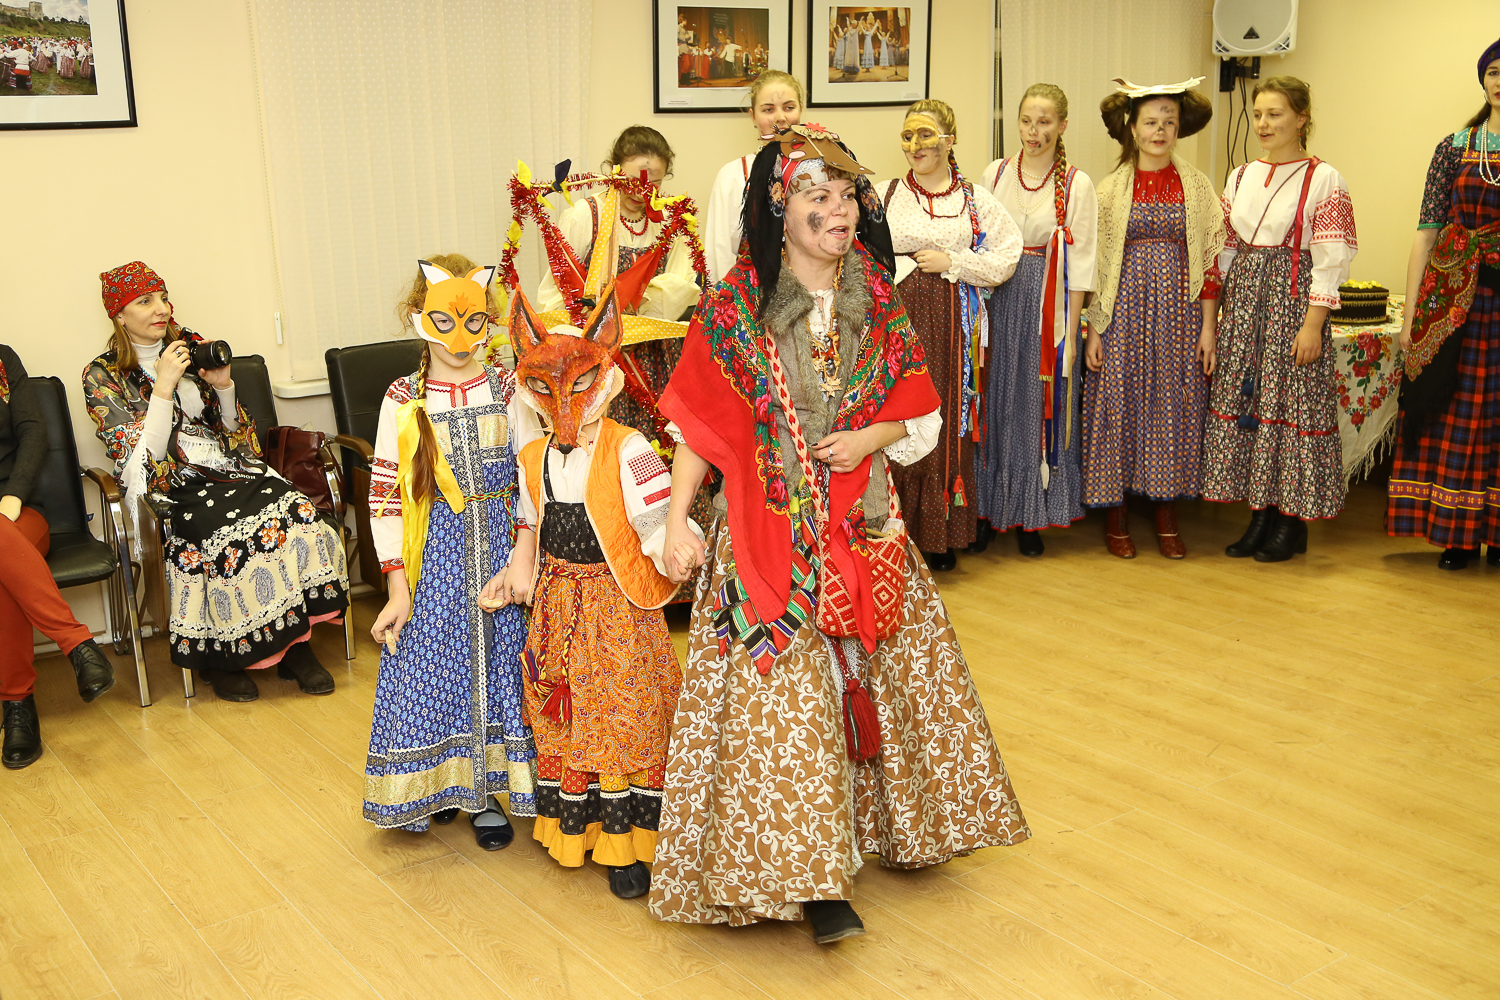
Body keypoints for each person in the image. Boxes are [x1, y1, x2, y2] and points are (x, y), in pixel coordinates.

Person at [649, 124, 1030, 943]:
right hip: (767, 537)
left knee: (879, 680)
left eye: (847, 196)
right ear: (778, 209)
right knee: (784, 708)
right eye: (816, 197)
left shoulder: (877, 296)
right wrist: (677, 520)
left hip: (863, 524)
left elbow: (917, 410)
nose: (839, 211)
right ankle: (813, 880)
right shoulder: (734, 308)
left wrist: (866, 440)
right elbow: (700, 430)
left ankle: (897, 829)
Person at [496, 285, 693, 899]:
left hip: (617, 607)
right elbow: (529, 520)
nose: (565, 404)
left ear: (603, 381)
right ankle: (577, 831)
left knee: (623, 714)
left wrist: (677, 548)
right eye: (546, 389)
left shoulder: (629, 448)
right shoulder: (531, 456)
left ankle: (630, 844)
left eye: (579, 386)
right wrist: (519, 567)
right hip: (558, 606)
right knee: (565, 713)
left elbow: (657, 522)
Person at [84, 262, 347, 702]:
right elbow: (144, 462)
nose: (161, 309)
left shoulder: (192, 348)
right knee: (224, 530)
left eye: (163, 297)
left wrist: (224, 388)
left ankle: (294, 644)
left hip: (228, 468)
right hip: (171, 484)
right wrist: (163, 387)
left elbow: (236, 438)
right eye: (145, 301)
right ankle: (224, 656)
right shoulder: (102, 375)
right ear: (119, 315)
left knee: (295, 510)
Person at [363, 257, 535, 847]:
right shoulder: (402, 397)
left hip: (501, 547)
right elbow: (386, 493)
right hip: (432, 554)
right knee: (428, 665)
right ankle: (437, 784)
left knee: (499, 667)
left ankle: (485, 796)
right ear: (419, 318)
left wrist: (522, 556)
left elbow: (531, 476)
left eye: (474, 322)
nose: (459, 340)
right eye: (443, 322)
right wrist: (397, 586)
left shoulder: (509, 387)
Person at [1203, 77, 1357, 561]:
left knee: (1291, 407)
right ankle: (1259, 516)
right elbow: (1225, 249)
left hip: (1292, 303)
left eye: (1275, 114)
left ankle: (1290, 522)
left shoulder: (1324, 178)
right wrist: (1219, 317)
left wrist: (1313, 325)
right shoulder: (1240, 175)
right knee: (1251, 402)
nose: (1263, 124)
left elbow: (1332, 257)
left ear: (1301, 118)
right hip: (1245, 304)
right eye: (1258, 114)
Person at [1082, 79, 1226, 559]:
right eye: (1151, 122)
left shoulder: (1198, 188)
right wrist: (1095, 331)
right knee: (1117, 402)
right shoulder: (1108, 191)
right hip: (1122, 314)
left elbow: (1210, 263)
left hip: (1180, 316)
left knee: (1171, 404)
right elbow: (1095, 267)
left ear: (1178, 129)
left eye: (1169, 122)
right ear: (1133, 128)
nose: (1160, 131)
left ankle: (1166, 512)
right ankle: (1116, 514)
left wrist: (1208, 329)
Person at [878, 99, 1022, 570]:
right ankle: (892, 530)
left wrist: (953, 262)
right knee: (895, 415)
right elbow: (855, 250)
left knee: (942, 416)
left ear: (949, 140)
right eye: (907, 136)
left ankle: (939, 535)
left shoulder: (974, 200)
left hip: (950, 326)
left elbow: (1008, 256)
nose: (914, 145)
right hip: (896, 322)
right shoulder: (884, 194)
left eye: (924, 134)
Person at [1388, 39, 1500, 570]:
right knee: (1455, 411)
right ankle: (1458, 534)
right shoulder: (1453, 148)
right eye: (1494, 72)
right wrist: (1411, 316)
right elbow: (1426, 232)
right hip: (1455, 301)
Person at [977, 83, 1098, 557]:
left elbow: (1081, 264)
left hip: (1048, 304)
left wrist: (1069, 333)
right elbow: (978, 241)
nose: (1033, 131)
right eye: (1026, 120)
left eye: (1044, 122)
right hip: (998, 297)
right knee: (993, 398)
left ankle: (1031, 514)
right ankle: (988, 509)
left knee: (1033, 400)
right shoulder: (995, 173)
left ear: (1062, 125)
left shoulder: (1077, 185)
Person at [537, 126, 700, 446]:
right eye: (633, 180)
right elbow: (556, 288)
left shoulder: (671, 219)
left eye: (653, 182)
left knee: (658, 438)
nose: (642, 191)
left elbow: (681, 282)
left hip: (653, 352)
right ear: (613, 170)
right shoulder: (585, 216)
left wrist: (638, 308)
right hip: (595, 353)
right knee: (602, 443)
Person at [0, 345, 115, 770]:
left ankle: (17, 706)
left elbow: (34, 432)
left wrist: (14, 495)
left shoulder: (2, 361)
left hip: (18, 512)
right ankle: (79, 645)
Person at [704, 70, 805, 284]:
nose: (780, 117)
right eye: (768, 109)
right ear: (753, 116)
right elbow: (720, 253)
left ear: (801, 109)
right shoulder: (733, 175)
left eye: (789, 107)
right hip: (751, 291)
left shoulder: (820, 169)